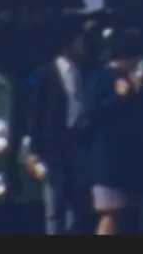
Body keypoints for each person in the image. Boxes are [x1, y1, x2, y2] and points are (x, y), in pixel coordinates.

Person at [25, 17, 93, 235]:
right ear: (69, 44)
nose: (82, 46)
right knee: (54, 204)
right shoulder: (46, 74)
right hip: (53, 147)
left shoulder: (82, 71)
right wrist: (35, 150)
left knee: (76, 201)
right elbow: (36, 113)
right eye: (79, 41)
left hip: (76, 143)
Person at [84, 28, 143, 235]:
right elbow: (92, 115)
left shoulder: (133, 81)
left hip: (129, 162)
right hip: (108, 161)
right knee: (110, 215)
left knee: (127, 217)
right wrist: (118, 98)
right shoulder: (102, 78)